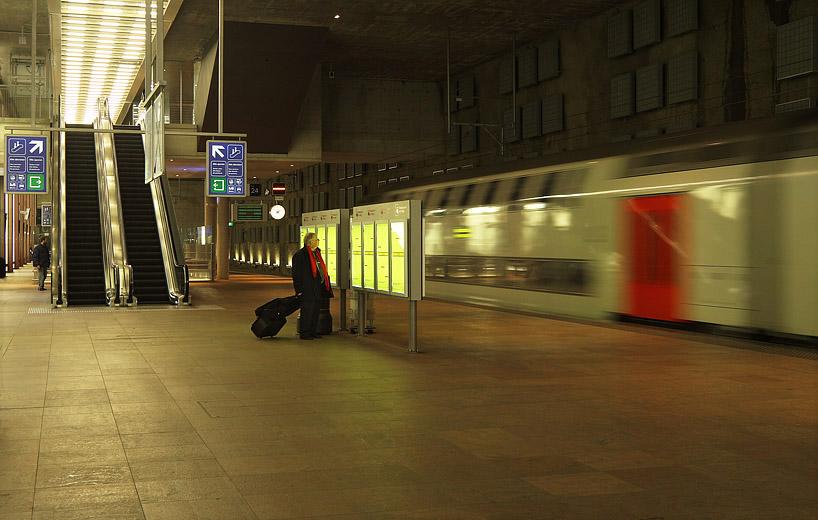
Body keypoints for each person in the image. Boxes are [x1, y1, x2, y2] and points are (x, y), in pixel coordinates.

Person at [292, 232, 332, 340]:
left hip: (317, 287)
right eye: (316, 240)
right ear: (310, 242)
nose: (318, 242)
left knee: (315, 310)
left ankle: (313, 331)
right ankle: (305, 333)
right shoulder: (300, 255)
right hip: (307, 288)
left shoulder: (317, 253)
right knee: (307, 311)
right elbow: (296, 274)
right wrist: (299, 289)